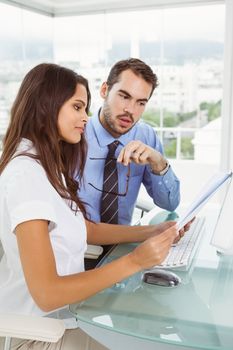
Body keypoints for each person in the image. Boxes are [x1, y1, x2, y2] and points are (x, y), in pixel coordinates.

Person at [0, 63, 189, 349]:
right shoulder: (27, 175)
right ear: (45, 106)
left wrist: (153, 232)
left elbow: (83, 227)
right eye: (77, 107)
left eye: (85, 109)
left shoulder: (44, 163)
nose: (84, 118)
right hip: (42, 333)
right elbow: (47, 294)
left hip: (70, 314)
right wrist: (136, 261)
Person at [78, 58, 180, 227]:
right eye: (124, 97)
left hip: (122, 245)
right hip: (78, 245)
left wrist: (159, 161)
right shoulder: (77, 132)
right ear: (104, 90)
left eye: (141, 103)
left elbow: (170, 204)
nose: (131, 110)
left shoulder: (146, 136)